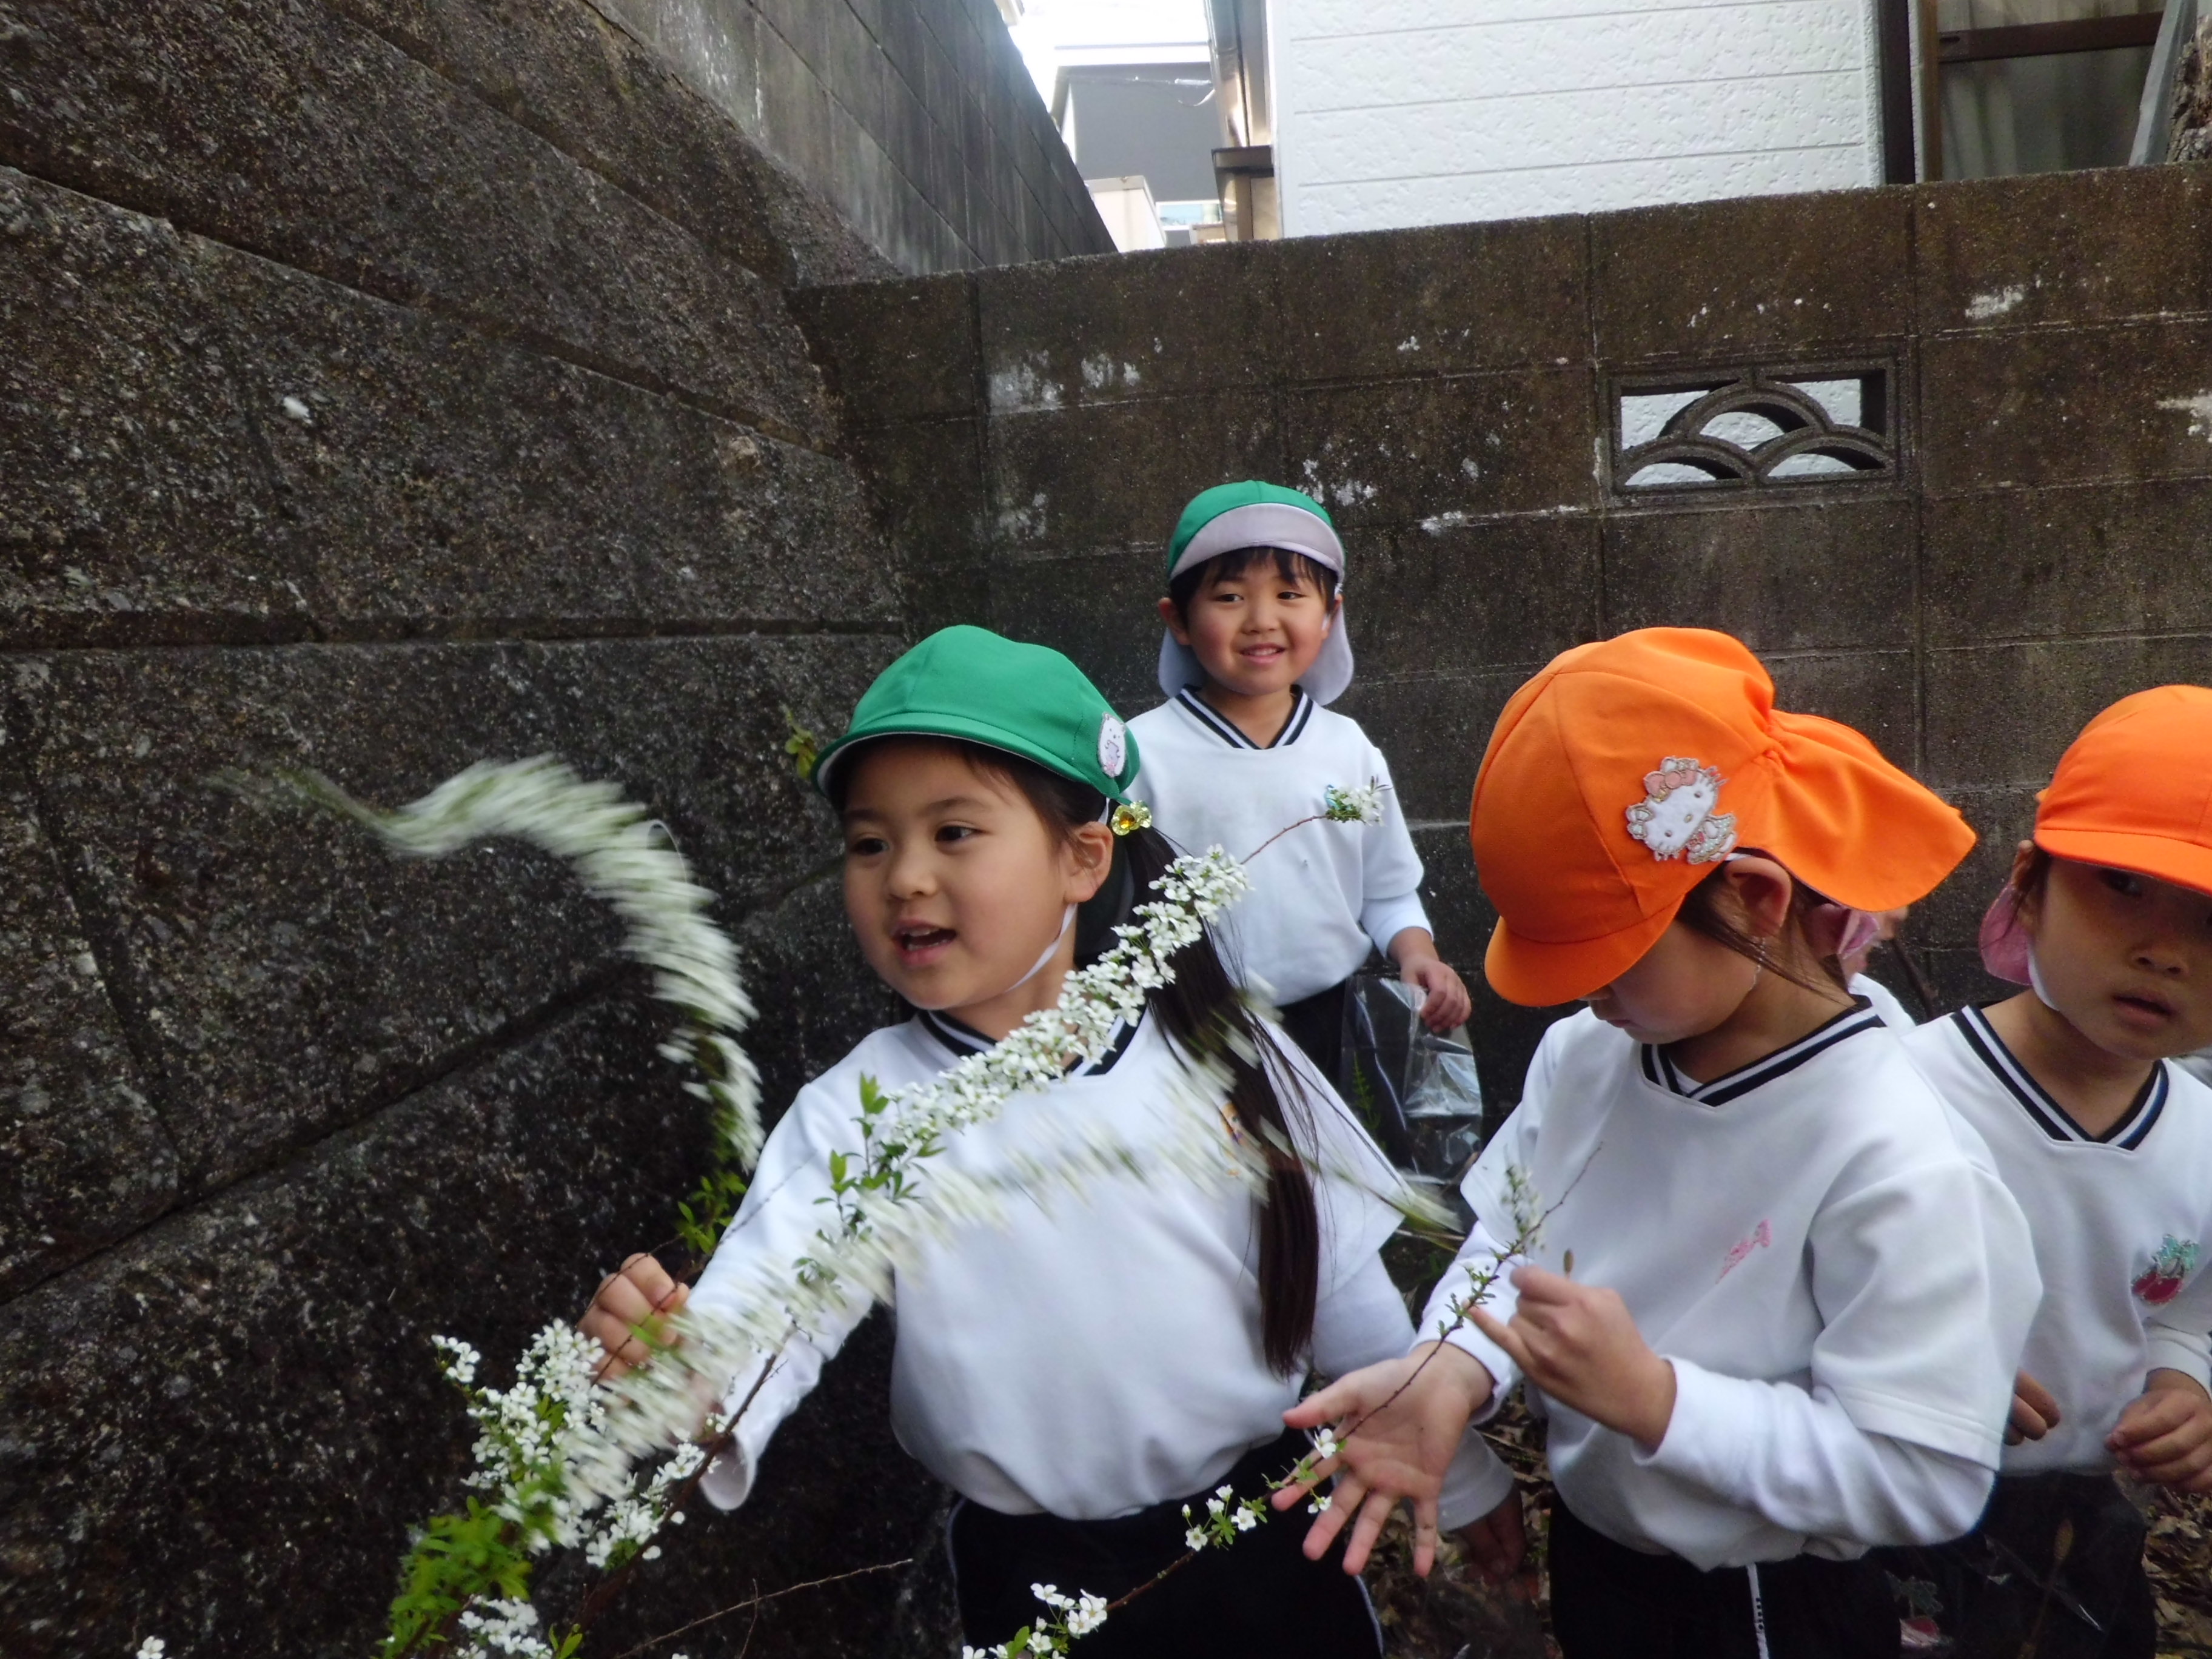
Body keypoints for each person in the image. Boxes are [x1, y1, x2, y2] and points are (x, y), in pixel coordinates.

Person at [579, 626, 1508, 1659]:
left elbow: (1340, 1290)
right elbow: (775, 1310)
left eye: (954, 832)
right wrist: (690, 1373)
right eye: (869, 842)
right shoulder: (860, 1113)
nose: (905, 878)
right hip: (1028, 1574)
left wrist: (1461, 1470)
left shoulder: (1227, 1051)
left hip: (1268, 1531)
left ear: (1082, 857)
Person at [1274, 628, 2041, 1659]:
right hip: (1599, 1557)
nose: (1581, 990)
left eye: (1610, 953)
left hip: (1763, 1602)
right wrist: (1453, 1365)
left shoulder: (1894, 1152)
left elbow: (1921, 1476)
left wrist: (1658, 1402)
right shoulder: (1587, 1056)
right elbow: (1511, 1240)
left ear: (1756, 900)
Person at [1882, 686, 2212, 1658]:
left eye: (2211, 920)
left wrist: (2185, 1385)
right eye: (2123, 885)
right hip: (1895, 1506)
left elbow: (2185, 1306)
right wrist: (1925, 1375)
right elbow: (1799, 1289)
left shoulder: (2202, 1136)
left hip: (2088, 1528)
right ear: (2029, 887)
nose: (2165, 951)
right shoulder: (1898, 1094)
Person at [1129, 481, 1470, 1077]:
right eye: (1230, 597)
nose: (1262, 620)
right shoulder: (1143, 754)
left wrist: (1418, 953)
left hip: (1332, 1025)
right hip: (1187, 1029)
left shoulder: (1348, 748)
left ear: (1330, 614)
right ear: (1178, 619)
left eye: (1290, 594)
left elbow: (1386, 890)